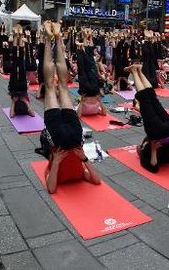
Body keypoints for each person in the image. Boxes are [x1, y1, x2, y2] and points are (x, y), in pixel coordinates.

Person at [40, 21, 101, 194]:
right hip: (73, 140)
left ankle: (54, 38)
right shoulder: (81, 172)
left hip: (61, 142)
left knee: (55, 87)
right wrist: (84, 159)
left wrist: (57, 162)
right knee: (54, 86)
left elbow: (51, 189)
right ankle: (52, 38)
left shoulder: (52, 169)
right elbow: (96, 181)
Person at [130, 63, 169, 173]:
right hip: (159, 132)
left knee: (153, 98)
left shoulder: (165, 153)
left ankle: (139, 71)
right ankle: (135, 71)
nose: (137, 148)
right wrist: (153, 149)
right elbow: (154, 167)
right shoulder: (146, 153)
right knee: (145, 101)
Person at [7, 25, 35, 117]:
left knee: (18, 62)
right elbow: (33, 114)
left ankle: (18, 36)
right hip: (19, 89)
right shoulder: (22, 101)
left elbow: (12, 115)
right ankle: (17, 36)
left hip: (18, 89)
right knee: (17, 62)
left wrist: (16, 101)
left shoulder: (20, 102)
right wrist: (23, 101)